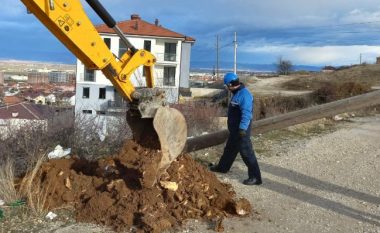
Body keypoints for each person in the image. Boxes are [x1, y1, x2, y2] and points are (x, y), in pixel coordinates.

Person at [209, 72, 262, 185]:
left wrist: (242, 129)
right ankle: (222, 168)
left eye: (227, 86)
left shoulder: (244, 95)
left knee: (247, 153)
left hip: (241, 131)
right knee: (229, 150)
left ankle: (256, 177)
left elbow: (247, 114)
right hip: (234, 131)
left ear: (230, 84)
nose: (227, 88)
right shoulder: (236, 93)